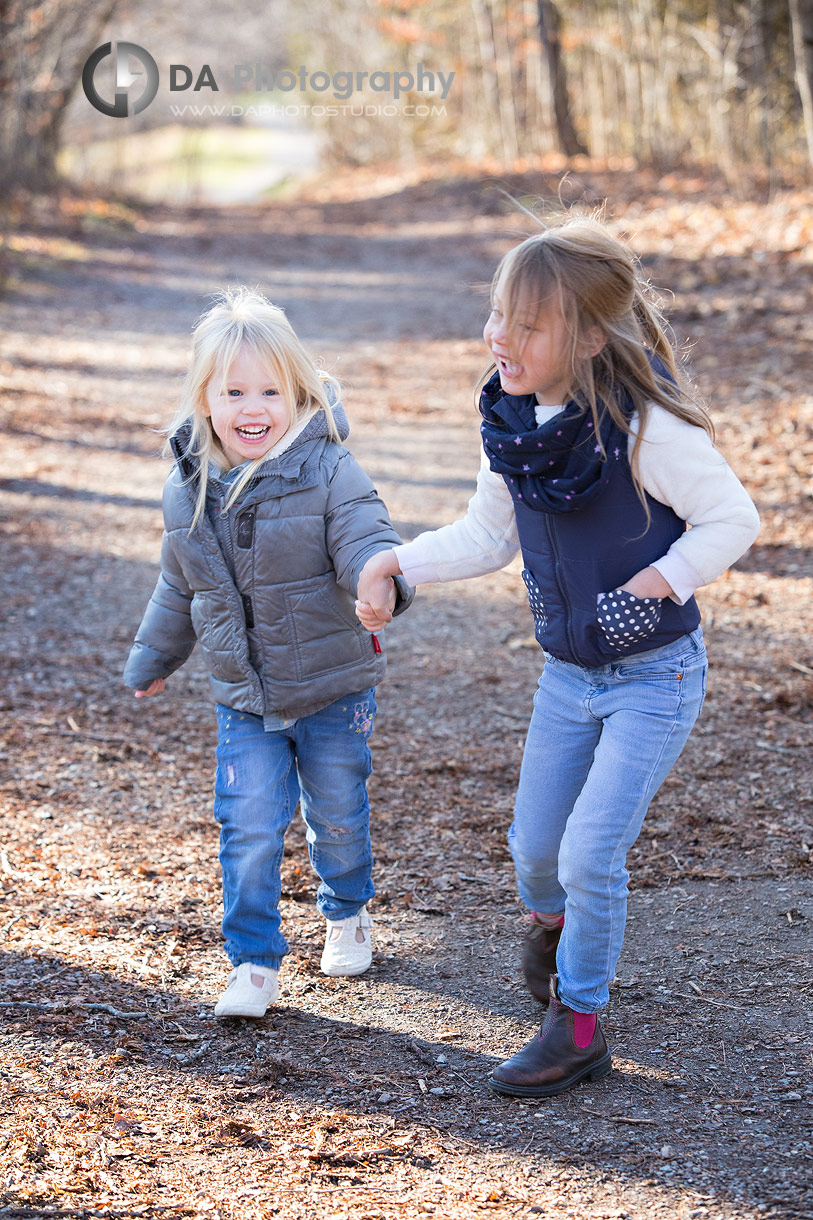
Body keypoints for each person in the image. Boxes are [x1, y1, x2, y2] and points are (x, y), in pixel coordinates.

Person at [355, 217, 760, 1096]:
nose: (499, 336)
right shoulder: (512, 425)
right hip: (568, 678)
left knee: (587, 856)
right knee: (534, 851)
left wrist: (662, 579)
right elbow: (485, 537)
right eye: (497, 314)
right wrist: (396, 560)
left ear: (585, 336)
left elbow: (735, 519)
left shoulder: (644, 430)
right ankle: (551, 928)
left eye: (526, 324)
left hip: (656, 677)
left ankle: (578, 1025)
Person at [124, 288, 412, 1019]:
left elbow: (367, 537)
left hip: (331, 688)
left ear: (298, 394)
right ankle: (253, 961)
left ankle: (346, 909)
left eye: (270, 391)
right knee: (248, 823)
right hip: (244, 697)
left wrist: (382, 583)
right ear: (205, 399)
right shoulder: (187, 490)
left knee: (337, 812)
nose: (253, 408)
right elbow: (177, 586)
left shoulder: (329, 471)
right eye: (233, 391)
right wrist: (153, 658)